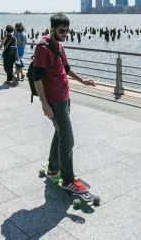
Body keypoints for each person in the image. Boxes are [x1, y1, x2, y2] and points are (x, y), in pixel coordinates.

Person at [32, 13, 96, 194]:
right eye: (62, 31)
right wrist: (44, 104)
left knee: (59, 132)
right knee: (68, 140)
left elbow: (66, 68)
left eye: (67, 31)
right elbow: (37, 79)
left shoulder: (59, 46)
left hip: (65, 97)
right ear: (52, 29)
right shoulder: (42, 49)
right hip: (54, 101)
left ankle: (53, 168)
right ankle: (67, 180)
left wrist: (82, 80)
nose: (65, 34)